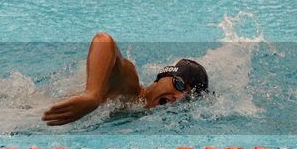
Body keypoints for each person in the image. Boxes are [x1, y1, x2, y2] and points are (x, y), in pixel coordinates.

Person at [42, 32, 208, 126]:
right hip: (28, 114)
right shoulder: (129, 84)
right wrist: (92, 95)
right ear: (163, 76)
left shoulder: (139, 112)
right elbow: (103, 40)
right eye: (179, 85)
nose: (177, 98)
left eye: (186, 97)